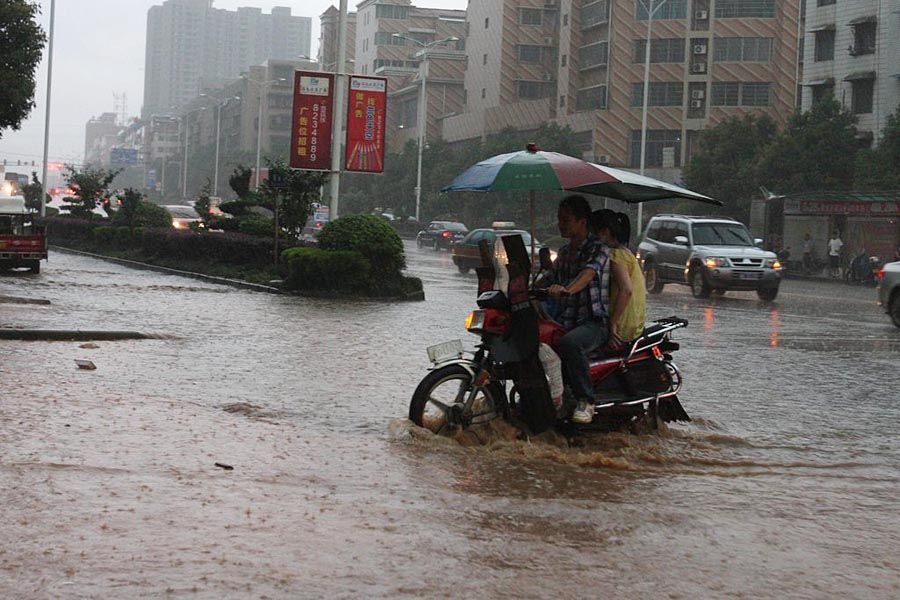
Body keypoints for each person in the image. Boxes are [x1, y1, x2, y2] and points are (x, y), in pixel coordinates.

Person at [545, 195, 611, 424]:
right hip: (566, 321)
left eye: (566, 220)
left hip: (593, 323)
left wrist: (567, 289)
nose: (560, 224)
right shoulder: (563, 252)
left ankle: (586, 400)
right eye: (559, 219)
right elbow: (547, 278)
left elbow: (588, 273)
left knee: (570, 344)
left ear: (582, 222)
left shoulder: (599, 249)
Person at [591, 209, 646, 350]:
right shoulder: (625, 252)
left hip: (622, 324)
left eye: (593, 232)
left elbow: (626, 290)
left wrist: (613, 323)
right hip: (635, 322)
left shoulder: (616, 256)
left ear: (605, 232)